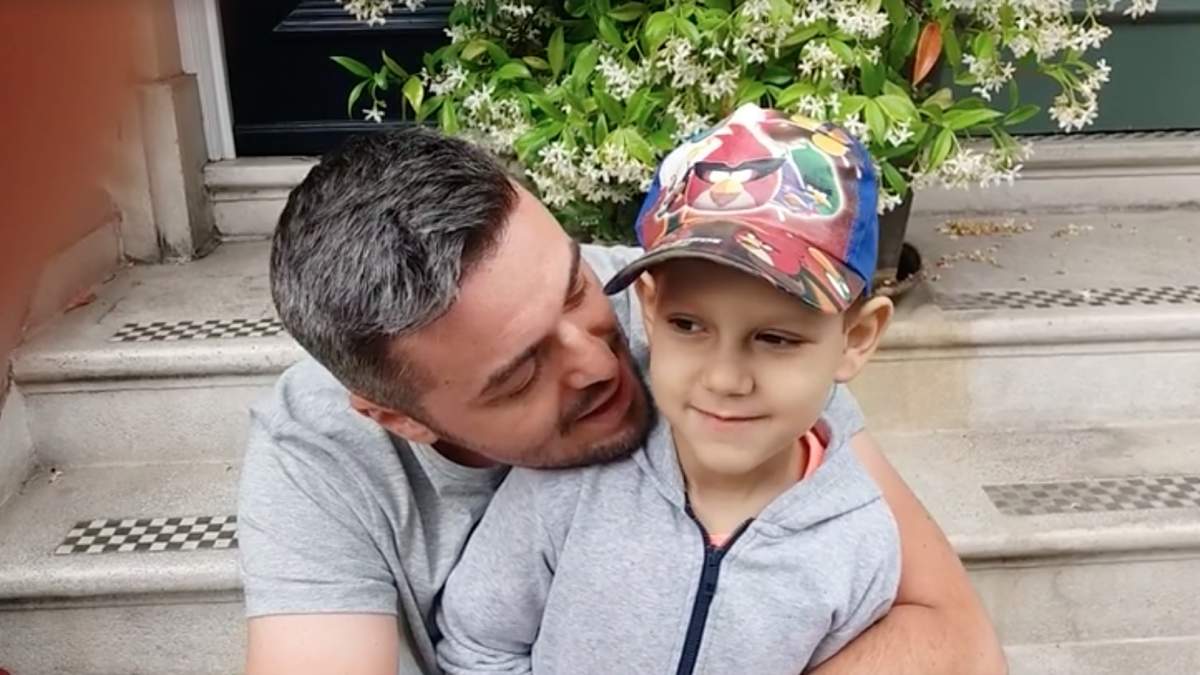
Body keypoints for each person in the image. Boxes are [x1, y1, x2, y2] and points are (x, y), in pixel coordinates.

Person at [239, 123, 1007, 675]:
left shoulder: (696, 302)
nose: (599, 360)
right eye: (520, 373)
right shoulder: (319, 458)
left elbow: (957, 638)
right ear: (397, 417)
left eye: (575, 286)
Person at [436, 105, 900, 674]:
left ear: (857, 339)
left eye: (776, 338)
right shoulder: (568, 489)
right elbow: (478, 644)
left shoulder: (859, 541)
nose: (724, 379)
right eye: (688, 325)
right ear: (650, 310)